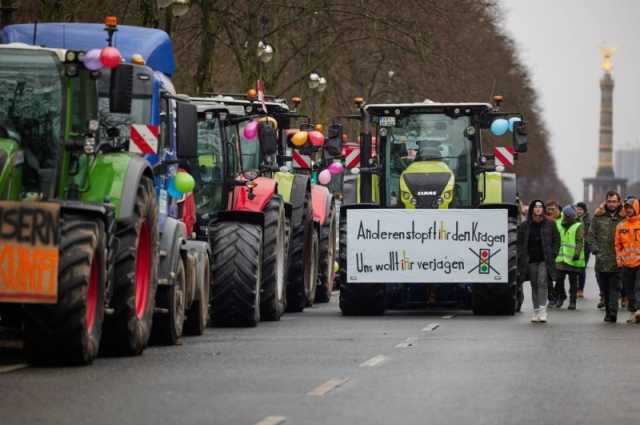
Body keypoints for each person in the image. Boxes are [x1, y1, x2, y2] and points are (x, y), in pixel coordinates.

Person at [517, 200, 560, 323]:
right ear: (532, 209)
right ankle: (536, 311)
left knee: (542, 283)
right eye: (535, 207)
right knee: (534, 285)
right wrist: (521, 255)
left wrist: (553, 254)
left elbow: (557, 240)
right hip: (530, 259)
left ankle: (542, 311)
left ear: (543, 209)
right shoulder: (525, 225)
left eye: (540, 206)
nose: (538, 209)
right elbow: (520, 242)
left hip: (545, 259)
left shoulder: (550, 223)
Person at [587, 191, 624, 322]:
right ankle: (608, 311)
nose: (612, 204)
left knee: (615, 288)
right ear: (606, 202)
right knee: (605, 289)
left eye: (614, 201)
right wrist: (596, 250)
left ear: (619, 202)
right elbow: (590, 236)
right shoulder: (598, 217)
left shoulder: (624, 217)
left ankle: (613, 313)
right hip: (602, 260)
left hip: (619, 260)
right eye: (610, 201)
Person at [554, 205, 586, 310]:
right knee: (559, 280)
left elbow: (579, 241)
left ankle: (572, 301)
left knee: (573, 282)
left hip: (573, 259)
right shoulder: (559, 224)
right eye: (565, 215)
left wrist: (577, 253)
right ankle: (561, 296)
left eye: (568, 216)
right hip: (561, 258)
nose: (566, 218)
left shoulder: (578, 225)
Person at [615, 197, 640, 323]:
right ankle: (632, 312)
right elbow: (617, 245)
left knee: (638, 287)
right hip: (626, 263)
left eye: (631, 208)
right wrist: (619, 259)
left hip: (639, 262)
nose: (629, 210)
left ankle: (639, 310)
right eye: (627, 208)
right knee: (628, 289)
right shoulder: (621, 225)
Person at [545, 200, 562, 306]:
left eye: (553, 209)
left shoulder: (564, 219)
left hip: (562, 254)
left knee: (560, 278)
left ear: (558, 208)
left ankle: (559, 295)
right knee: (547, 277)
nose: (551, 211)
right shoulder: (544, 220)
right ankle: (551, 297)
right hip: (548, 253)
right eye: (549, 209)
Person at [576, 202, 592, 298]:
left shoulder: (588, 220)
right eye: (577, 209)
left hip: (585, 246)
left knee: (582, 268)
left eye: (580, 209)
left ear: (584, 211)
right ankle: (575, 288)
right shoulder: (573, 219)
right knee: (574, 269)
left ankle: (580, 289)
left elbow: (589, 233)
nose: (578, 211)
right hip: (575, 246)